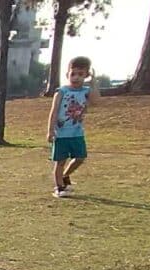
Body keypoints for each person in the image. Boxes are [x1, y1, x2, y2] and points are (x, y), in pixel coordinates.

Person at [47, 56, 99, 198]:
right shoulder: (61, 92)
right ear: (68, 74)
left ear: (86, 75)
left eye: (80, 74)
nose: (76, 78)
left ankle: (65, 176)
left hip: (77, 133)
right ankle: (59, 187)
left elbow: (96, 101)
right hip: (61, 133)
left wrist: (94, 83)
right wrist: (50, 130)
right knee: (60, 161)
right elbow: (54, 111)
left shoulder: (85, 91)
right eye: (73, 74)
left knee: (80, 157)